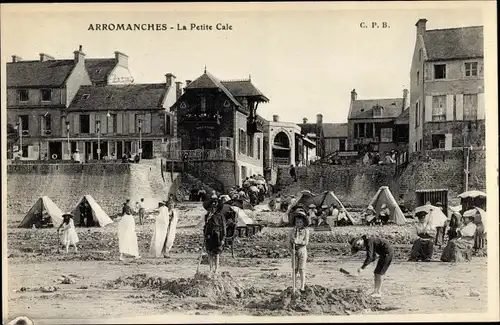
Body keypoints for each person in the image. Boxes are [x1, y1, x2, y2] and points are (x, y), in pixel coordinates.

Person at [287, 210, 310, 292]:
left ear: (303, 223)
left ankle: (302, 286)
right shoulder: (291, 231)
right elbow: (289, 243)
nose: (298, 224)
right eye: (297, 222)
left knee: (302, 269)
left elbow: (305, 242)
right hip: (294, 252)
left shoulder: (306, 231)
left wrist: (297, 242)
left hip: (302, 251)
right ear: (294, 222)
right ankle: (294, 286)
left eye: (300, 222)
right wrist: (291, 250)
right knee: (294, 269)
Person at [204, 200, 227, 276]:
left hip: (218, 236)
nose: (213, 209)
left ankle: (216, 269)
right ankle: (211, 269)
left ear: (217, 208)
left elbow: (224, 228)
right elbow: (205, 227)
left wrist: (223, 239)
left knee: (216, 253)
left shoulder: (220, 216)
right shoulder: (207, 216)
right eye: (211, 208)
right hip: (209, 236)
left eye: (214, 208)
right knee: (209, 252)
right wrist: (205, 234)